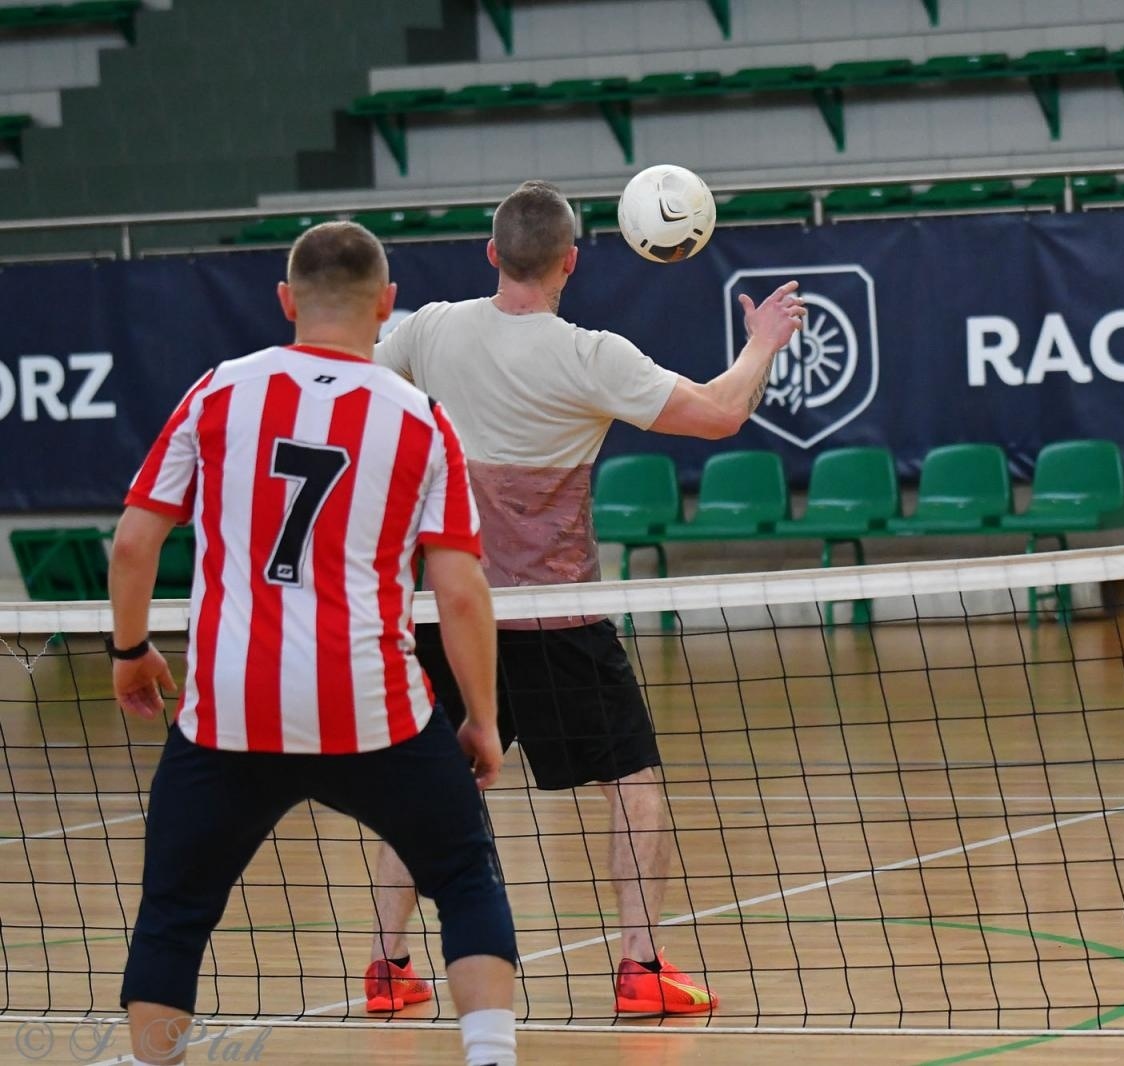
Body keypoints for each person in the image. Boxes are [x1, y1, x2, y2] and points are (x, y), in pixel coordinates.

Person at [365, 180, 805, 1016]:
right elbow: (718, 414)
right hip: (554, 619)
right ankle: (640, 970)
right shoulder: (591, 355)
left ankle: (388, 969)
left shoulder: (427, 329)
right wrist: (764, 342)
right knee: (633, 785)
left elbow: (352, 380)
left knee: (425, 788)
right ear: (570, 261)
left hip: (449, 613)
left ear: (492, 253)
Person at [108, 222, 519, 1066]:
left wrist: (129, 651)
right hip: (372, 711)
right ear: (388, 304)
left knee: (173, 911)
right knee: (466, 877)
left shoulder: (218, 391)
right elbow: (461, 591)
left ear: (287, 302)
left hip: (229, 712)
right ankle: (490, 1056)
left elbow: (133, 543)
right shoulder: (420, 418)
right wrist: (479, 716)